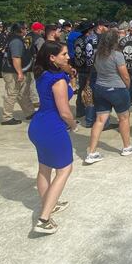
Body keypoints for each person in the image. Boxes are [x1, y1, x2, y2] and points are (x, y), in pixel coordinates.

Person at [27, 41, 78, 235]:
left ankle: (50, 203)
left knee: (44, 168)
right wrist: (73, 124)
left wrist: (70, 76)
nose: (67, 57)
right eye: (64, 54)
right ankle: (44, 218)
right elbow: (65, 111)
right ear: (52, 57)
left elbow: (66, 93)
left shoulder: (44, 74)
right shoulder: (57, 80)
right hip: (52, 127)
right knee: (64, 169)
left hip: (38, 125)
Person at [84, 29, 132, 164]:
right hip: (116, 88)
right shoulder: (117, 55)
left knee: (99, 120)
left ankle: (91, 152)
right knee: (124, 118)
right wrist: (127, 86)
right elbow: (125, 75)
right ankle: (126, 146)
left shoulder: (98, 54)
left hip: (100, 87)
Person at [1, 23, 35, 125]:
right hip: (13, 72)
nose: (26, 30)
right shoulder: (16, 41)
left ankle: (30, 112)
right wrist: (20, 73)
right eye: (25, 28)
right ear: (20, 29)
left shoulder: (15, 39)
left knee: (23, 93)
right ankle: (7, 117)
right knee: (12, 93)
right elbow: (16, 57)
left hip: (17, 70)